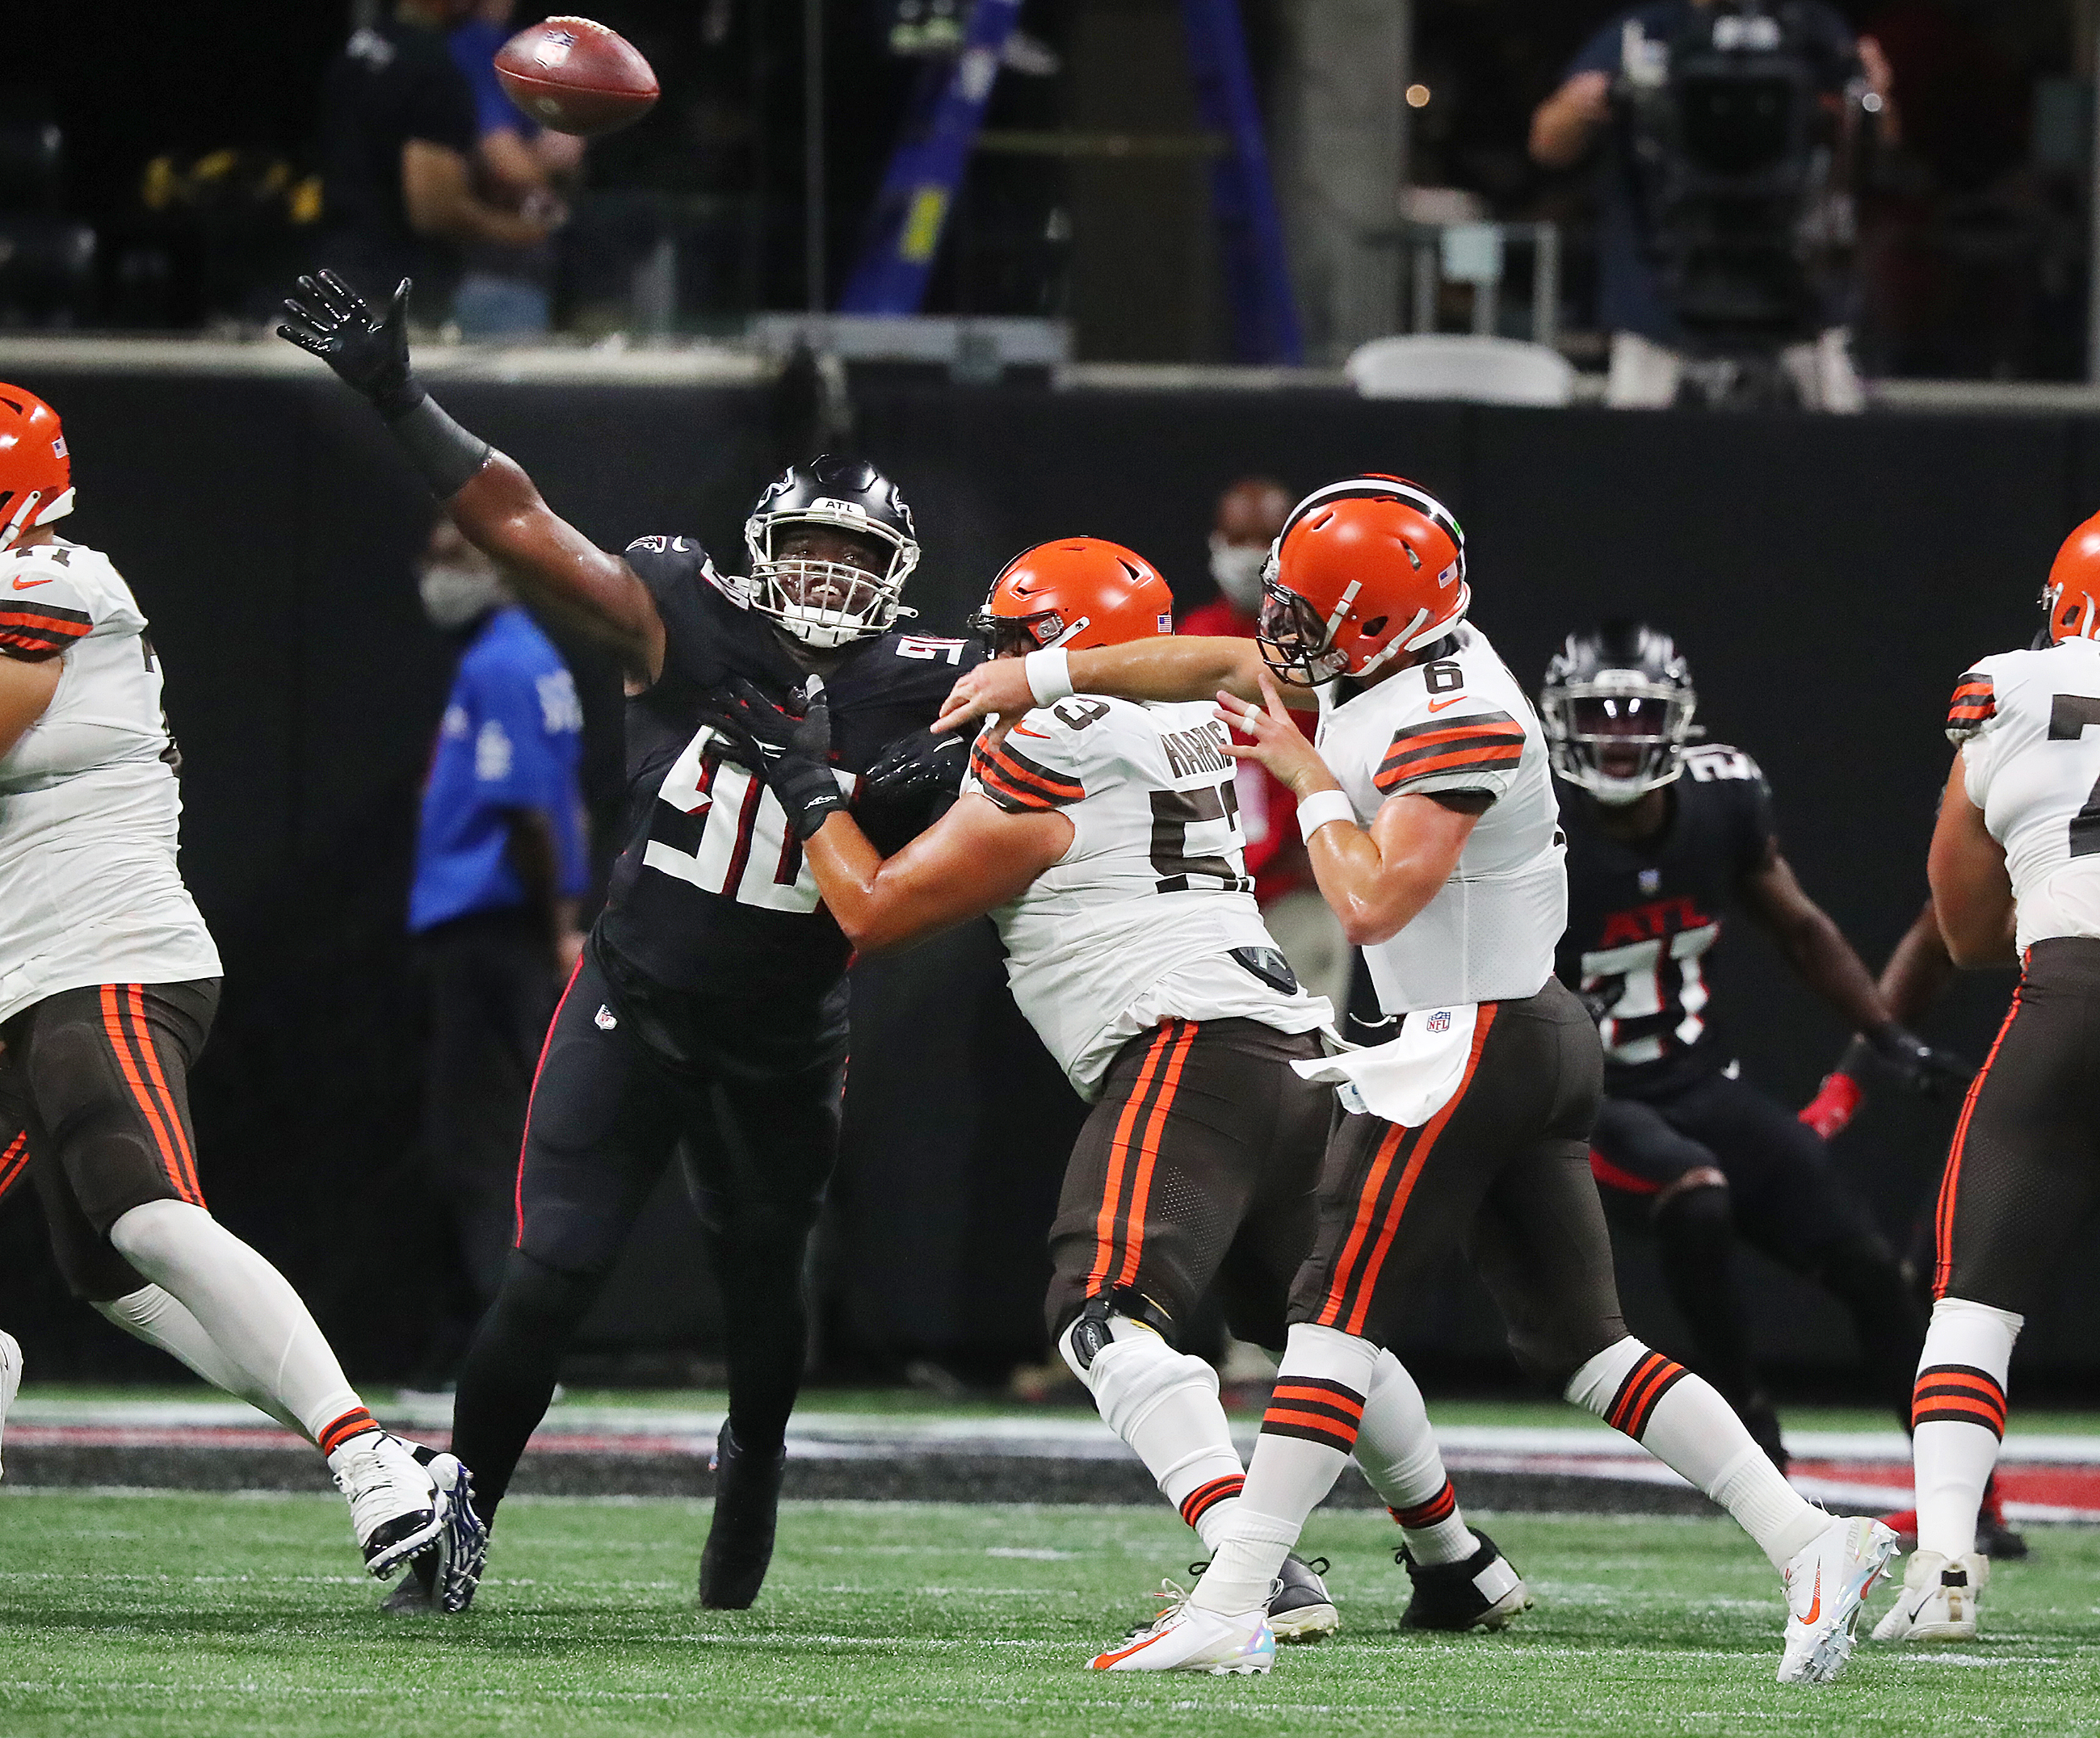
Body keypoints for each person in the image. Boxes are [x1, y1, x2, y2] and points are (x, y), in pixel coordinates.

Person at [937, 475, 1895, 1683]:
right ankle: (1812, 1541)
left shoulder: (1466, 716)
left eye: (1306, 611)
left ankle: (1235, 1597)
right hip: (1513, 1030)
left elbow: (1375, 897)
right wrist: (1049, 677)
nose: (1279, 631)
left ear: (1381, 624)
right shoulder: (1390, 659)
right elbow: (1224, 670)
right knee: (1585, 1344)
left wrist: (1306, 778)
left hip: (1472, 1033)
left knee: (1330, 1316)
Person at [278, 268, 981, 1614]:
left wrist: (1043, 688)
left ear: (894, 582)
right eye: (813, 549)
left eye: (856, 559)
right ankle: (463, 1507)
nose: (831, 578)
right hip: (637, 998)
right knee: (548, 1277)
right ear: (765, 549)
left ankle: (755, 1453)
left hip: (784, 1040)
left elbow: (1084, 693)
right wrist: (397, 395)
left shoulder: (936, 690)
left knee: (768, 1299)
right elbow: (524, 524)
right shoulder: (683, 610)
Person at [710, 535, 1532, 1654]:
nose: (993, 655)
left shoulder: (1048, 741)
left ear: (1061, 647)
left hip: (1187, 1048)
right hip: (1292, 1045)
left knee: (1097, 1308)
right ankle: (1455, 1559)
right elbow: (1227, 671)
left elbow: (875, 912)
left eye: (1014, 637)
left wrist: (809, 786)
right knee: (1321, 1326)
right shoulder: (1190, 713)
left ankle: (1254, 1560)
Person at [0, 384, 481, 1602]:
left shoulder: (56, 583)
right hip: (25, 967)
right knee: (113, 1283)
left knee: (144, 1212)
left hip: (101, 952)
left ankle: (365, 1455)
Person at [1541, 621, 1965, 1469]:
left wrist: (1884, 1038)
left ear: (1676, 720)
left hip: (1699, 1081)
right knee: (1694, 1197)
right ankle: (1747, 1429)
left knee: (1869, 1268)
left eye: (1637, 715)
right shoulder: (1532, 826)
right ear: (1559, 719)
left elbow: (1801, 931)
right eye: (1599, 715)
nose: (1617, 737)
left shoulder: (1721, 798)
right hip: (1592, 1101)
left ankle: (1964, 1493)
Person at [1872, 510, 2100, 1642]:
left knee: (1975, 1302)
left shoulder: (2008, 688)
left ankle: (1948, 1565)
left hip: (2070, 993)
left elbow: (1962, 930)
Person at [406, 518, 587, 1388]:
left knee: (477, 1144)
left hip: (491, 929)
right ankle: (483, 1340)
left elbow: (526, 809)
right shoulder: (530, 658)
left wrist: (553, 921)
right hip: (495, 928)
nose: (435, 573)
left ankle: (502, 1348)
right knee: (485, 1138)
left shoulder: (502, 663)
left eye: (456, 555)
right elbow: (563, 802)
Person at [1528, 0, 1891, 409]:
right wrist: (1584, 103)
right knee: (1639, 462)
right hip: (1662, 297)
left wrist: (1872, 102)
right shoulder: (1645, 33)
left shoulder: (1811, 30)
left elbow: (1879, 146)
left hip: (1798, 295)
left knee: (1832, 459)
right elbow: (1547, 142)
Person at [1181, 477, 1351, 1018]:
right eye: (1240, 538)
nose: (1252, 556)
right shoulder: (1193, 639)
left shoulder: (1328, 648)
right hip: (1208, 903)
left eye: (1268, 539)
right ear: (1216, 542)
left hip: (1300, 895)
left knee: (1303, 1066)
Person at [320, 0, 552, 325]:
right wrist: (525, 234)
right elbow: (435, 211)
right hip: (396, 291)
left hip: (334, 269)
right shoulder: (433, 69)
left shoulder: (362, 44)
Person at [447, 0, 582, 337]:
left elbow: (568, 157)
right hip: (484, 268)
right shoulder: (468, 46)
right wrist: (541, 161)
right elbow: (507, 162)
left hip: (536, 264)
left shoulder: (527, 43)